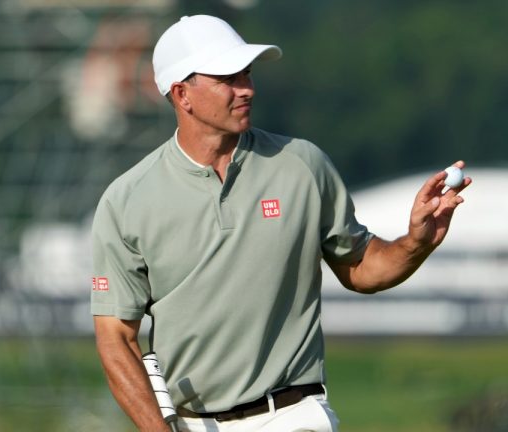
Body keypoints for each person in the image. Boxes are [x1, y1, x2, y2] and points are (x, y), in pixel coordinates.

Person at [91, 14, 471, 432]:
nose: (247, 89)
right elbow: (116, 338)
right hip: (193, 424)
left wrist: (416, 242)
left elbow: (361, 268)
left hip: (294, 414)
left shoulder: (302, 165)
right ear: (183, 94)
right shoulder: (126, 200)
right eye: (228, 78)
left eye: (247, 74)